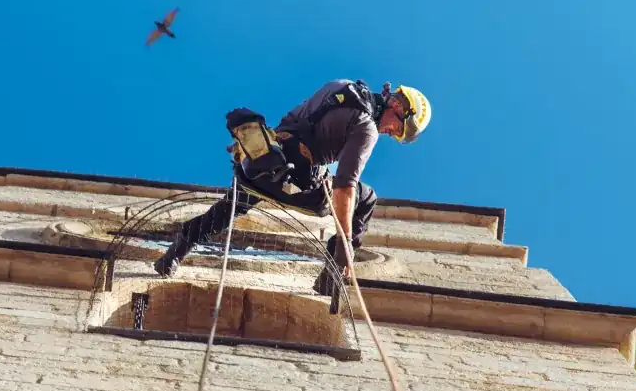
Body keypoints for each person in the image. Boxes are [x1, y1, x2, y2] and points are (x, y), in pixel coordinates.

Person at [153, 79, 432, 293]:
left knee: (231, 208)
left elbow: (299, 120)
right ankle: (332, 274)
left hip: (262, 164)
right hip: (296, 182)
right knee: (367, 197)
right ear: (398, 106)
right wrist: (345, 243)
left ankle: (177, 249)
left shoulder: (341, 87)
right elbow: (346, 186)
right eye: (399, 128)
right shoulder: (366, 127)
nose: (391, 133)